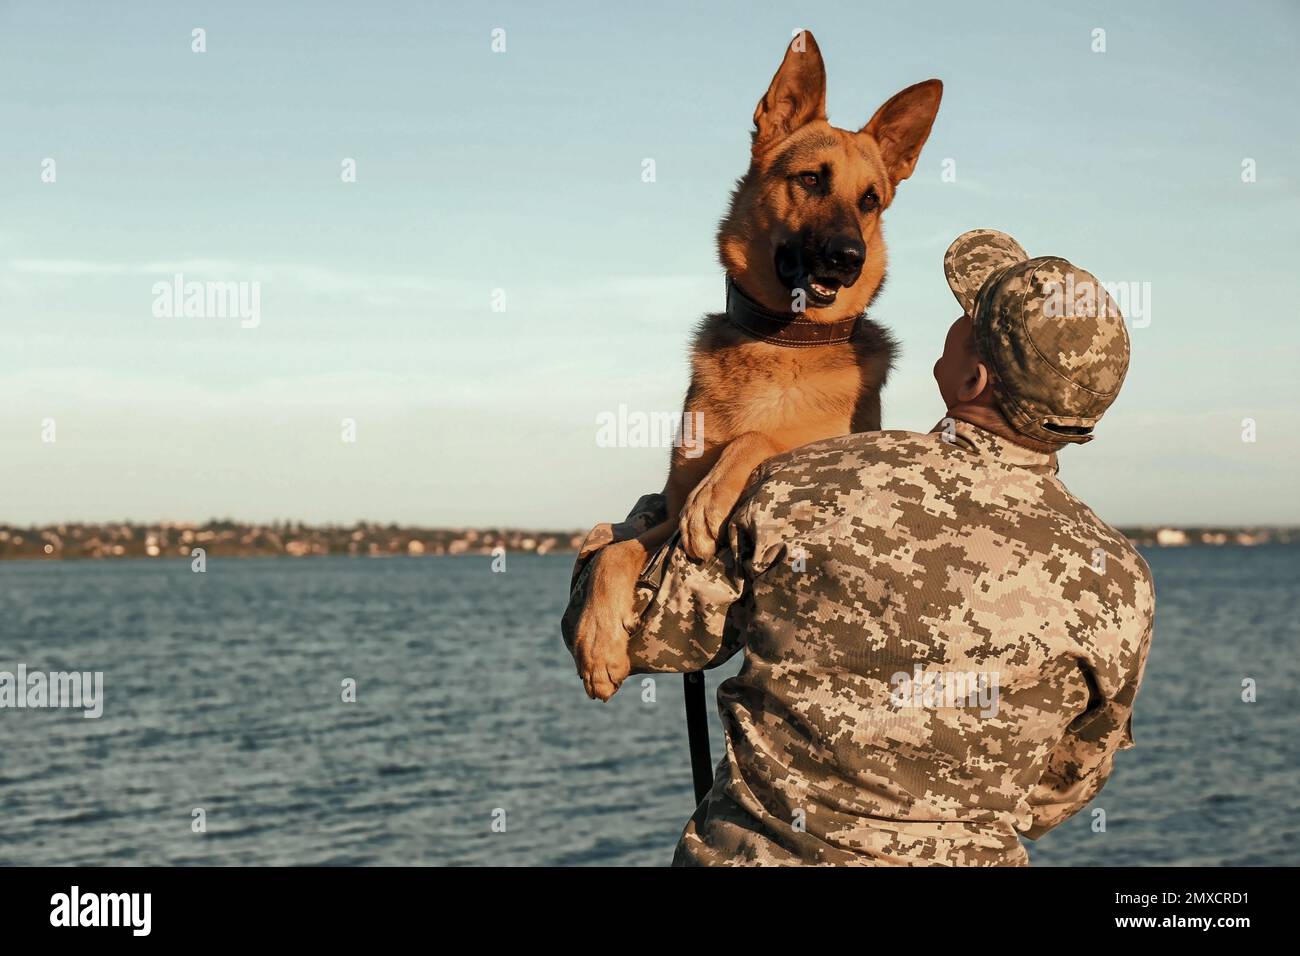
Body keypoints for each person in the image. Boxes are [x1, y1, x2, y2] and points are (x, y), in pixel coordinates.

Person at [561, 229, 1155, 866]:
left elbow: (647, 635)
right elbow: (1057, 791)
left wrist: (648, 520)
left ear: (973, 378)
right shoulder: (1119, 582)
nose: (953, 325)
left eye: (966, 319)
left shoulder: (801, 483)